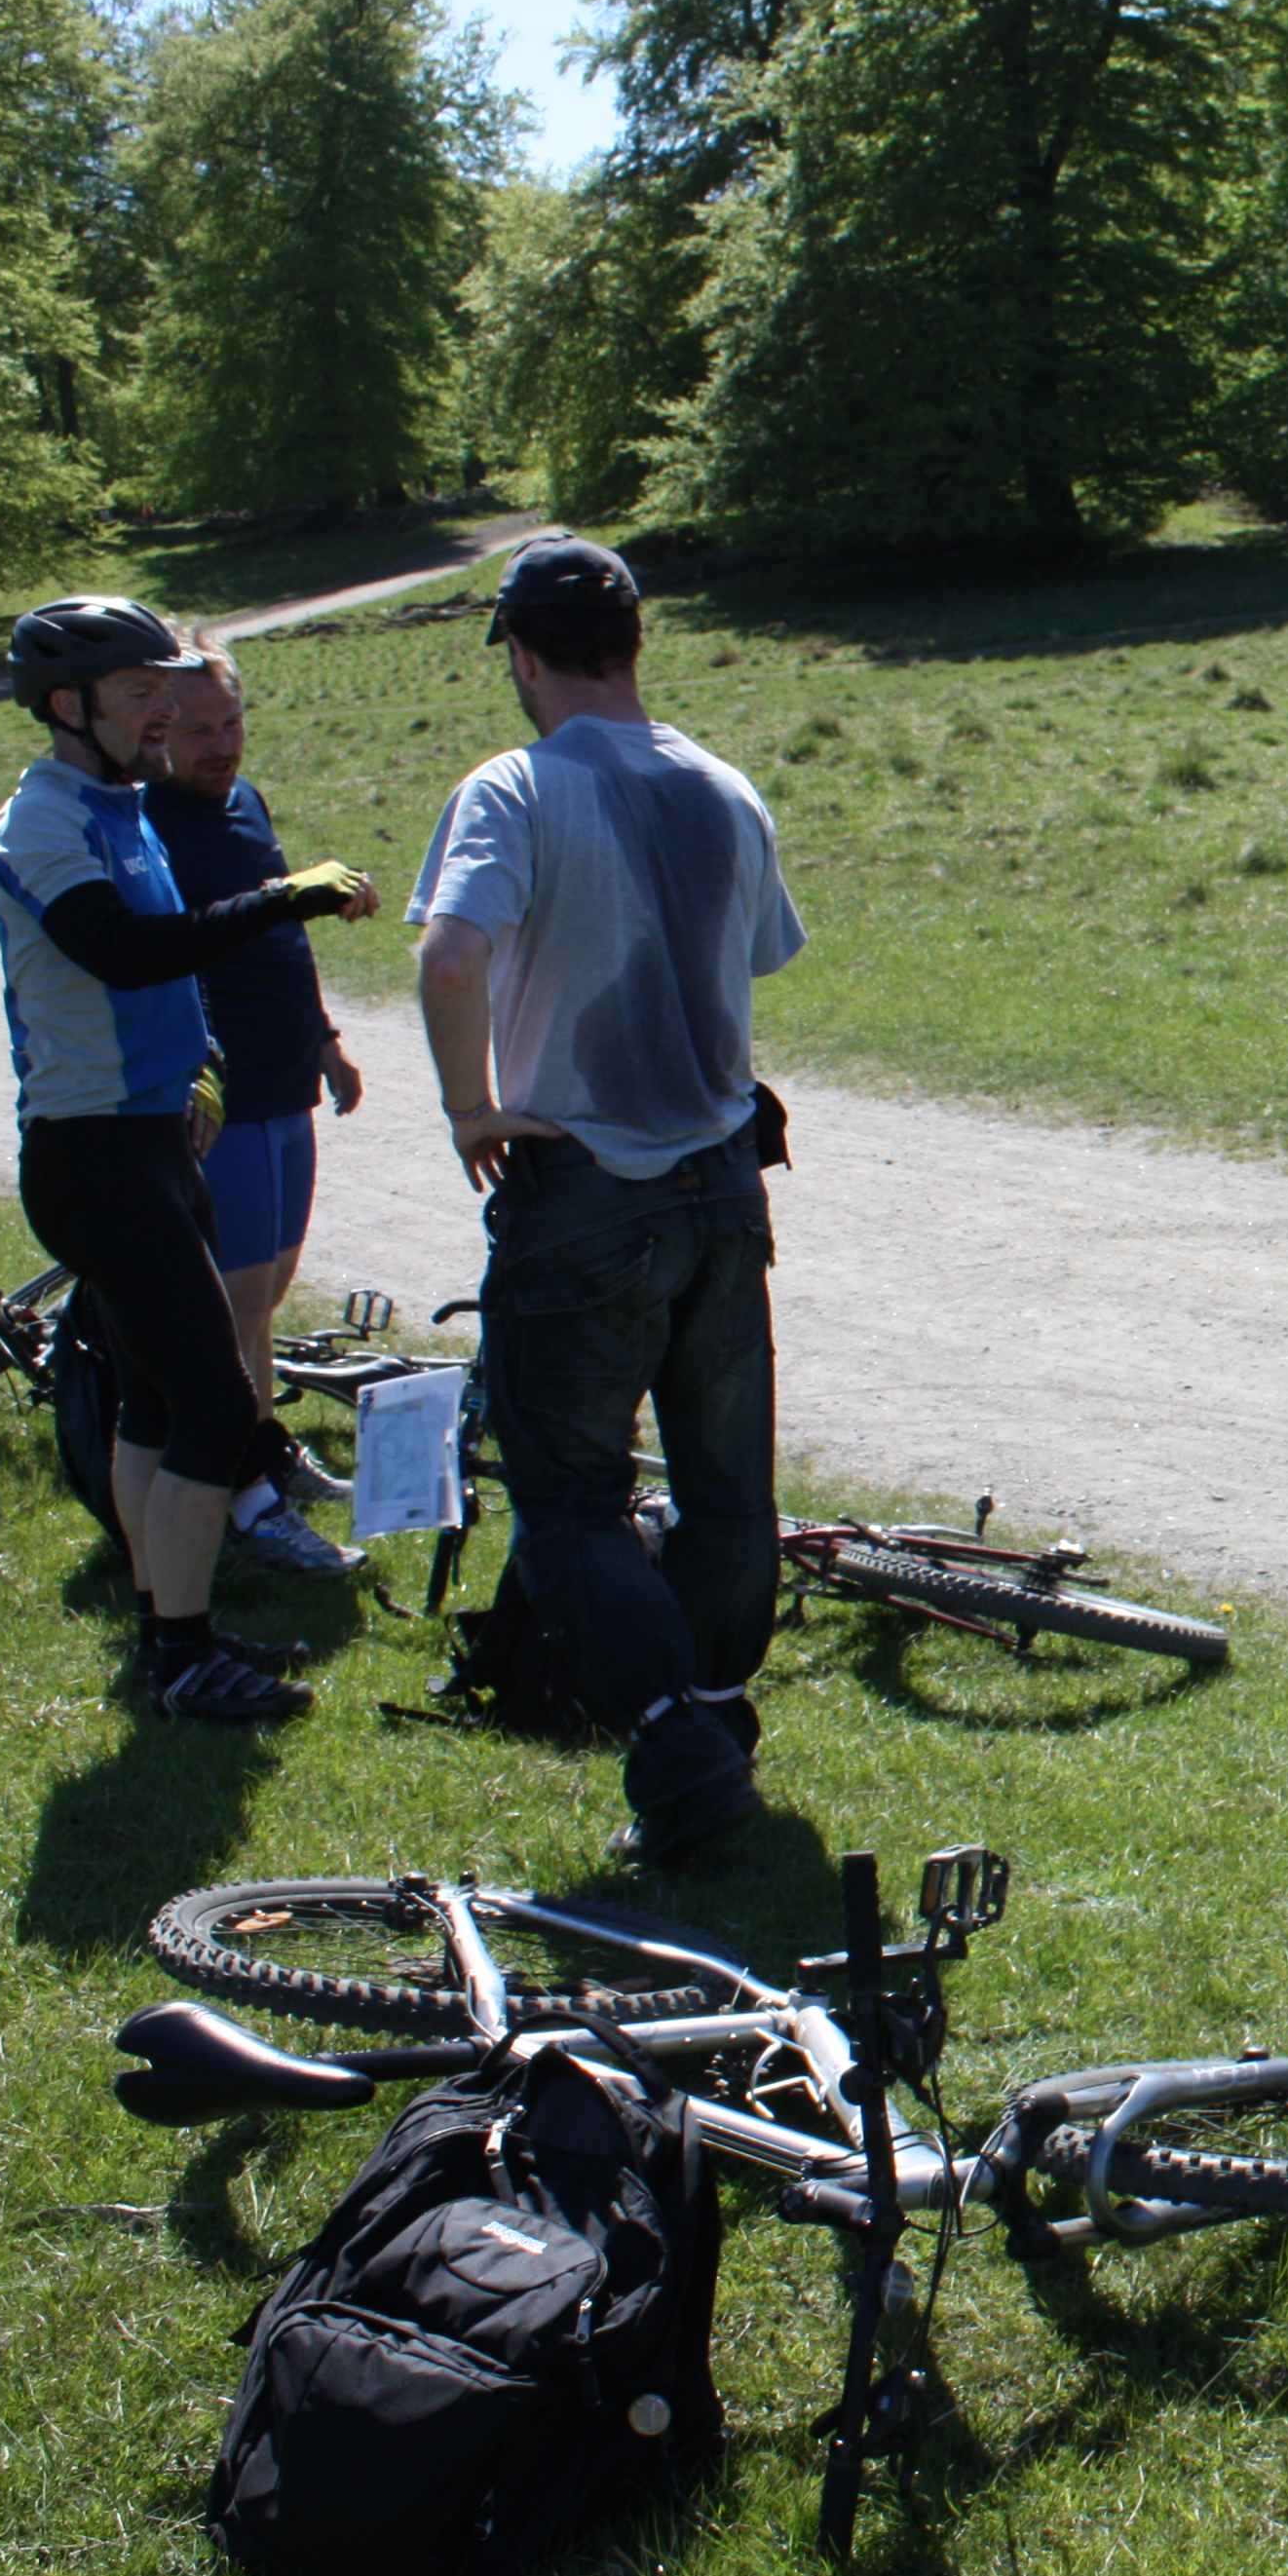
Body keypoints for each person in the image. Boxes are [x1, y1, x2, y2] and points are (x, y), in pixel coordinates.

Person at [409, 535, 805, 1870]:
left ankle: (677, 1750)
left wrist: (472, 1107)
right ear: (638, 643)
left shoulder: (513, 788)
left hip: (584, 1184)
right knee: (723, 1488)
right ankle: (714, 1717)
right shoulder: (725, 788)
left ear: (520, 655)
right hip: (720, 1177)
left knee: (573, 1495)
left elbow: (453, 950)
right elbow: (761, 958)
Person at [0, 595, 379, 1721]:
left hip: (154, 1136)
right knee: (213, 1401)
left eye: (168, 688)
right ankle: (184, 1654)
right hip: (94, 1156)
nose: (164, 712)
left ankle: (172, 1627)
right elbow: (118, 948)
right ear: (69, 708)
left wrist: (201, 1056)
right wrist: (282, 898)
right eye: (138, 694)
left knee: (156, 1403)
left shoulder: (118, 803)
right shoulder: (44, 823)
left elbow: (165, 972)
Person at [143, 644, 369, 1558]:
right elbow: (158, 960)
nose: (219, 745)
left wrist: (325, 1039)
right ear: (158, 729)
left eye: (230, 724)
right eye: (196, 729)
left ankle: (263, 1448)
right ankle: (241, 1495)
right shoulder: (148, 824)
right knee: (235, 1296)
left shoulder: (246, 804)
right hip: (221, 1093)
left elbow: (285, 938)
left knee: (266, 1290)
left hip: (286, 1077)